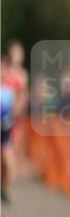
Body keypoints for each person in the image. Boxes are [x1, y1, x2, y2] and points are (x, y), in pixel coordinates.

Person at [1, 42, 28, 204]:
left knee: (8, 154)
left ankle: (6, 187)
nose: (15, 57)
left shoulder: (22, 75)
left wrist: (16, 112)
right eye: (13, 54)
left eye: (18, 54)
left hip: (10, 120)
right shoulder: (3, 70)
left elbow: (23, 96)